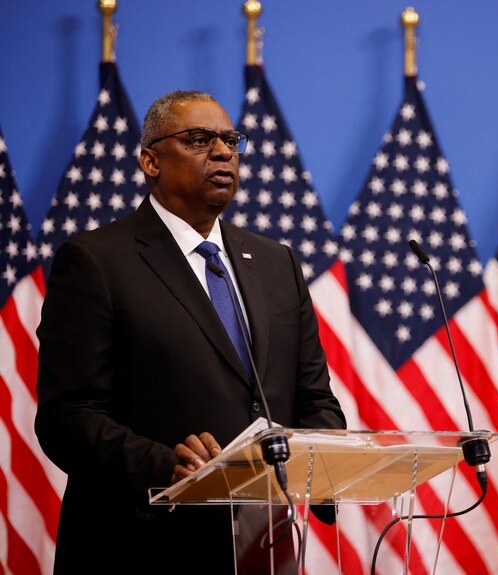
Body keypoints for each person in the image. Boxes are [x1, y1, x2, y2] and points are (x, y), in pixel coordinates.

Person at [35, 90, 346, 574]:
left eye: (229, 140)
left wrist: (324, 467)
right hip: (140, 545)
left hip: (263, 544)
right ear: (150, 161)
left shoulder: (275, 262)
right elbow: (66, 417)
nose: (223, 152)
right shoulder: (96, 262)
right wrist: (165, 466)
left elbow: (314, 398)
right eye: (199, 139)